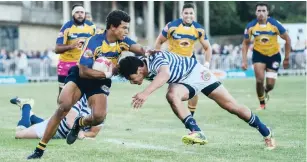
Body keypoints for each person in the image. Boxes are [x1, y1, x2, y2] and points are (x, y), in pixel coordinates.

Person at [27, 10, 148, 159]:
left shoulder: (123, 41)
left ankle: (79, 122)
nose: (126, 31)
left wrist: (151, 53)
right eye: (124, 27)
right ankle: (40, 149)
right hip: (81, 76)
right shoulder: (94, 42)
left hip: (99, 82)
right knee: (63, 106)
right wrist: (107, 73)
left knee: (99, 117)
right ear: (112, 27)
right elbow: (84, 72)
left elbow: (141, 50)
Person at [117, 51, 276, 150]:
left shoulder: (156, 60)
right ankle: (197, 132)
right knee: (172, 95)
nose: (133, 82)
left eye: (132, 78)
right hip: (182, 82)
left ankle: (266, 131)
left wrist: (145, 93)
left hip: (197, 74)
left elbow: (164, 75)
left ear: (139, 69)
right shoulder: (138, 62)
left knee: (231, 106)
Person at [154, 3, 212, 116]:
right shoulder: (172, 26)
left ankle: (191, 115)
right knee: (172, 93)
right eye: (186, 13)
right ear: (182, 14)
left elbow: (207, 47)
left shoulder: (199, 29)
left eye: (191, 13)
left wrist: (207, 64)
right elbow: (159, 41)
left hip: (190, 61)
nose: (188, 15)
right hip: (173, 61)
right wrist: (157, 58)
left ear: (194, 14)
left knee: (195, 88)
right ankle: (182, 114)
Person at [241, 2, 291, 110]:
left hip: (274, 56)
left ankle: (266, 90)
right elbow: (245, 43)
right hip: (259, 55)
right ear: (255, 12)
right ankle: (262, 104)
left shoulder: (275, 24)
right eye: (259, 11)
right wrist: (244, 61)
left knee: (270, 85)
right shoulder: (251, 26)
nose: (261, 13)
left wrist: (287, 58)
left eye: (263, 11)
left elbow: (288, 39)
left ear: (267, 13)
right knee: (259, 80)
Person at [11, 97, 102, 140]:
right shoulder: (81, 99)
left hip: (62, 131)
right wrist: (77, 132)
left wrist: (85, 134)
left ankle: (31, 116)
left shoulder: (101, 110)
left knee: (37, 122)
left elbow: (93, 132)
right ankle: (26, 105)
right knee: (19, 134)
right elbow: (70, 122)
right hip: (54, 127)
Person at [55, 4, 96, 95]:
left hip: (83, 64)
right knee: (63, 93)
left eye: (82, 12)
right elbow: (57, 49)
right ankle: (62, 109)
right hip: (66, 63)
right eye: (77, 12)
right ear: (73, 14)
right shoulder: (66, 27)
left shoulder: (91, 26)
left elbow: (95, 43)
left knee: (85, 92)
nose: (80, 14)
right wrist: (71, 46)